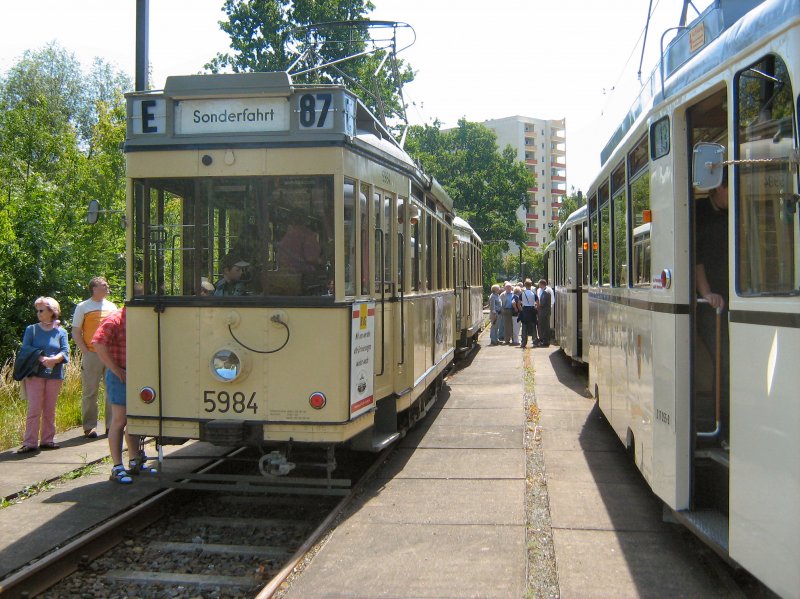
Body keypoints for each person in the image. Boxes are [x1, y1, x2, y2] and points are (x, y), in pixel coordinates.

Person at [93, 288, 149, 484]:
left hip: (139, 375)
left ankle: (135, 461)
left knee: (135, 418)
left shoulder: (142, 318)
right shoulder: (115, 319)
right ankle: (117, 467)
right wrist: (116, 369)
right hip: (121, 375)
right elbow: (98, 343)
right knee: (120, 420)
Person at [695, 169, 729, 442]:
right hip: (712, 306)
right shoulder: (699, 212)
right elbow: (696, 258)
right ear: (718, 187)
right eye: (731, 188)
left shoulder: (732, 213)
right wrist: (706, 293)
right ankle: (724, 427)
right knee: (724, 361)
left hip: (730, 297)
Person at [16, 297, 70, 453]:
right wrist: (42, 359)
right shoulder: (31, 329)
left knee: (49, 408)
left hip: (55, 374)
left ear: (51, 312)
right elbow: (25, 349)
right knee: (34, 408)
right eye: (37, 310)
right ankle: (30, 442)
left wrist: (54, 360)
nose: (38, 313)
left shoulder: (61, 331)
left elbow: (65, 351)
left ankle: (47, 440)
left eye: (41, 310)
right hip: (34, 374)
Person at [72, 277, 117, 438]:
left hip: (110, 354)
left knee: (111, 390)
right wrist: (85, 351)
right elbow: (76, 331)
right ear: (94, 288)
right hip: (92, 354)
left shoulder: (112, 307)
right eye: (103, 285)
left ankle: (112, 426)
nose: (107, 287)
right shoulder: (83, 307)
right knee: (90, 391)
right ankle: (89, 426)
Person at [519, 279, 538, 348]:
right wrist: (536, 307)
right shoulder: (533, 293)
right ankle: (535, 341)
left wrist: (521, 308)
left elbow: (518, 302)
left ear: (525, 285)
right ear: (531, 285)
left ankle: (523, 342)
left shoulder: (522, 293)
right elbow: (538, 302)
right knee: (533, 326)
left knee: (524, 326)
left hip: (525, 310)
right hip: (532, 310)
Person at [535, 279, 552, 347]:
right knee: (544, 326)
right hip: (544, 312)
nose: (538, 285)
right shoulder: (545, 291)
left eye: (539, 284)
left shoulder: (545, 292)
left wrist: (537, 306)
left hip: (544, 313)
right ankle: (544, 340)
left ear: (542, 284)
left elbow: (542, 303)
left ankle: (546, 341)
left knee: (545, 327)